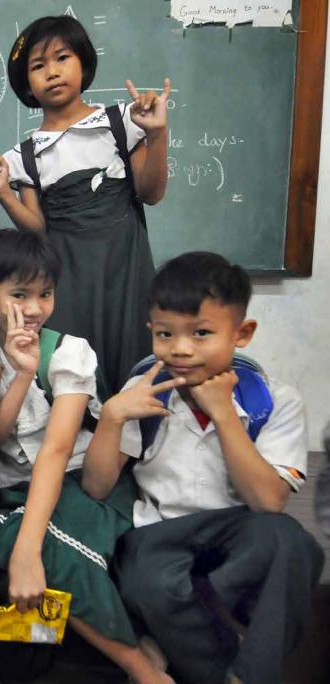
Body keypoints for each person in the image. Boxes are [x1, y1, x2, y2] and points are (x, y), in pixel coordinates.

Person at [0, 229, 171, 684]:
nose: (34, 308)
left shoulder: (68, 352)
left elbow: (59, 450)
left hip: (84, 484)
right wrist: (21, 375)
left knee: (45, 550)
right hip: (13, 494)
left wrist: (28, 547)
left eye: (45, 294)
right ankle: (128, 646)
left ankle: (141, 671)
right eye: (19, 294)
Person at [83, 251, 325, 684]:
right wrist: (112, 418)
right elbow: (98, 487)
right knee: (147, 584)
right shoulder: (145, 391)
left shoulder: (274, 399)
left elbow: (268, 502)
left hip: (238, 531)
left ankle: (235, 664)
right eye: (165, 334)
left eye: (201, 333)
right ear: (150, 332)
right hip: (159, 535)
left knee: (296, 546)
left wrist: (225, 416)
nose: (180, 348)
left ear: (242, 333)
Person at [0, 15, 170, 395]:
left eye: (62, 58)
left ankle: (129, 453)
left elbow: (152, 193)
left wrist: (157, 134)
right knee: (75, 370)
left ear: (84, 62)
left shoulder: (120, 123)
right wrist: (3, 193)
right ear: (26, 83)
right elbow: (37, 230)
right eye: (38, 66)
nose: (53, 72)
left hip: (124, 268)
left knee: (133, 361)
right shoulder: (25, 155)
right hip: (67, 276)